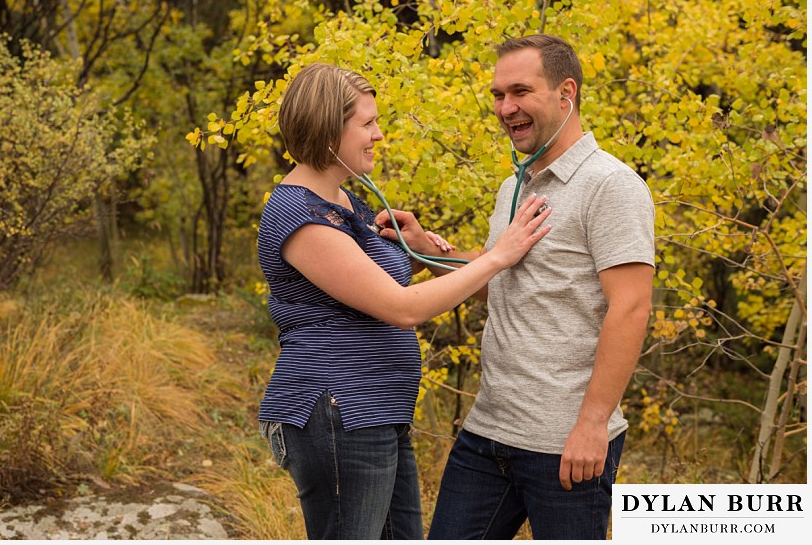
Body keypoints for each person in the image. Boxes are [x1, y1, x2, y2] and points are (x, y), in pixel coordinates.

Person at [255, 62, 552, 540]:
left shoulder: (345, 203)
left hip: (376, 410)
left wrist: (417, 251)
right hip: (337, 410)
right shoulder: (300, 215)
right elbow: (401, 307)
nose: (379, 135)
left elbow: (358, 286)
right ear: (330, 128)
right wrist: (499, 256)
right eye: (367, 124)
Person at [382, 35, 655, 540]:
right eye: (498, 95)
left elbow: (632, 307)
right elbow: (497, 282)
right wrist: (425, 248)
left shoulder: (611, 185)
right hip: (488, 432)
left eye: (520, 92)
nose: (506, 108)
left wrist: (593, 423)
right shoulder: (516, 186)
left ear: (565, 92)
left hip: (565, 444)